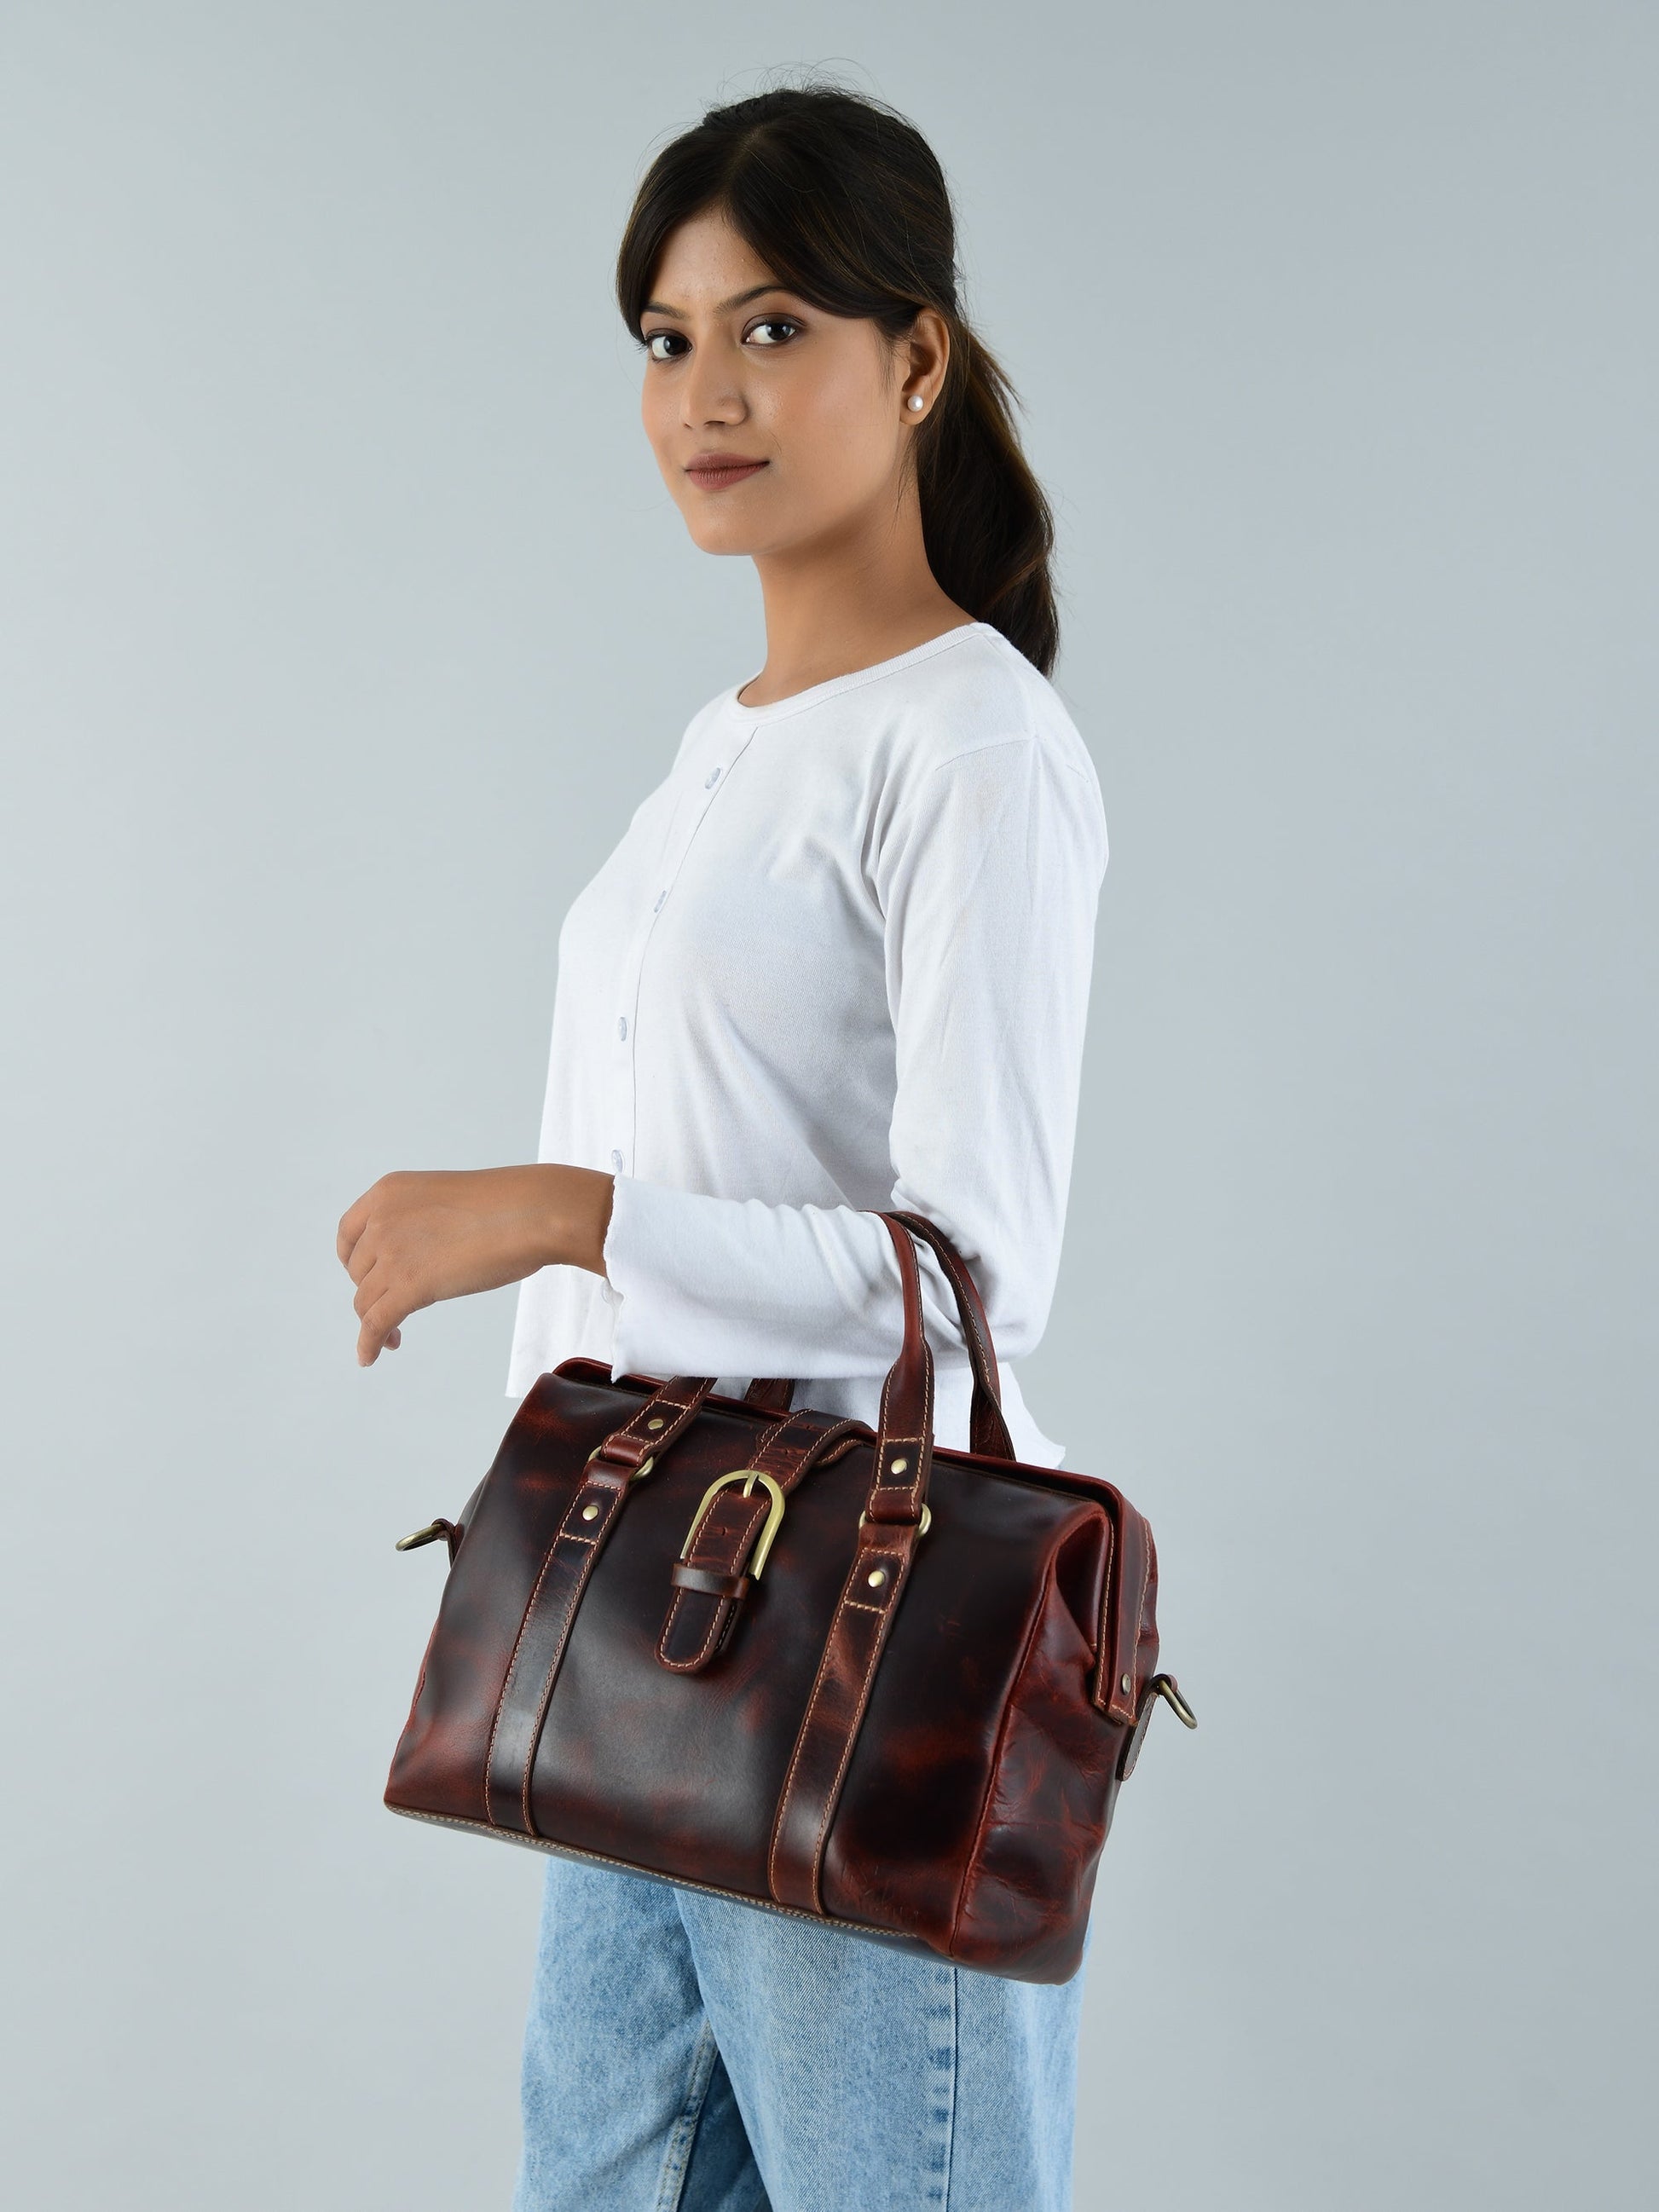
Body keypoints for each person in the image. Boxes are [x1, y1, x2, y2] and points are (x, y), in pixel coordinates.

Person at [337, 79, 1109, 2212]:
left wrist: (563, 1216)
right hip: (647, 1629)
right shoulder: (721, 746)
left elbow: (970, 1268)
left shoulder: (973, 739)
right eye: (668, 340)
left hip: (861, 1647)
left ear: (917, 359)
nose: (706, 392)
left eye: (774, 328)